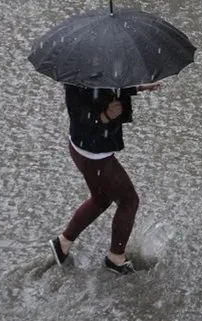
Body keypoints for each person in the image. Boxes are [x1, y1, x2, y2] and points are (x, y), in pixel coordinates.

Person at [48, 82, 161, 275]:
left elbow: (109, 86)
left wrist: (139, 87)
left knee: (101, 199)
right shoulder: (79, 78)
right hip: (93, 154)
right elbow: (79, 115)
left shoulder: (98, 69)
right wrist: (105, 116)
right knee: (129, 201)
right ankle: (115, 258)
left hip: (83, 148)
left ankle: (63, 243)